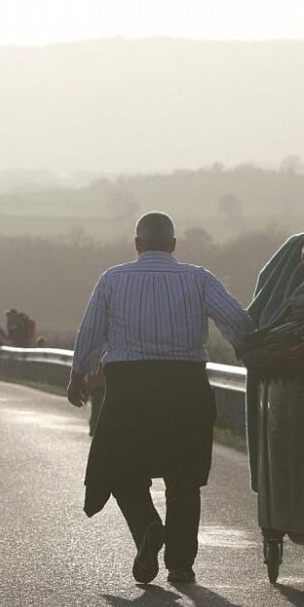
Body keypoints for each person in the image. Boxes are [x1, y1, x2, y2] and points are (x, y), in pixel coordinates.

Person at [67, 212, 253, 585]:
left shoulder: (112, 279)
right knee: (184, 478)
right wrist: (248, 351)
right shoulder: (198, 278)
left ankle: (148, 527)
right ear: (173, 244)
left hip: (129, 387)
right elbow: (237, 320)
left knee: (121, 469)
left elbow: (91, 332)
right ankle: (181, 564)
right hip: (185, 385)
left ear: (137, 245)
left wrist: (78, 375)